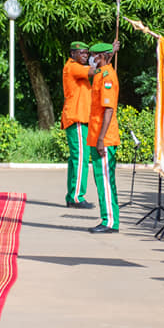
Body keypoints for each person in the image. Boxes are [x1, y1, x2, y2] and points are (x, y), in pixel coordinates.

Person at [87, 42, 120, 233]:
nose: (92, 58)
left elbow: (108, 109)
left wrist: (101, 139)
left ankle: (110, 221)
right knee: (101, 180)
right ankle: (107, 218)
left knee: (106, 180)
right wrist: (112, 51)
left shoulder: (107, 77)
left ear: (103, 57)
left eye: (95, 55)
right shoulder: (101, 73)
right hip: (96, 136)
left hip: (104, 138)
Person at [61, 41, 94, 209]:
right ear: (73, 54)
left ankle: (72, 195)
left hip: (79, 118)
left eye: (87, 53)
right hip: (77, 118)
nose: (85, 55)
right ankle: (76, 197)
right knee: (80, 158)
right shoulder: (73, 66)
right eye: (82, 53)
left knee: (76, 159)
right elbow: (94, 70)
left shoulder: (76, 67)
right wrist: (106, 56)